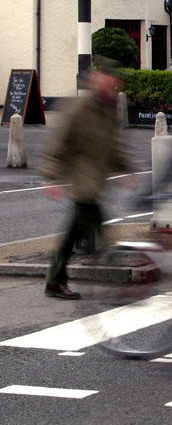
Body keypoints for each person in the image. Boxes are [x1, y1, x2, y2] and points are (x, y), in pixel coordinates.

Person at [39, 63, 130, 300]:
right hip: (82, 180)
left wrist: (126, 169)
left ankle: (56, 281)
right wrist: (51, 176)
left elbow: (111, 145)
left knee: (76, 231)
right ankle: (63, 280)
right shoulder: (81, 107)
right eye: (106, 79)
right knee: (95, 225)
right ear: (97, 79)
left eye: (113, 81)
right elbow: (60, 140)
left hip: (96, 180)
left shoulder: (108, 107)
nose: (110, 84)